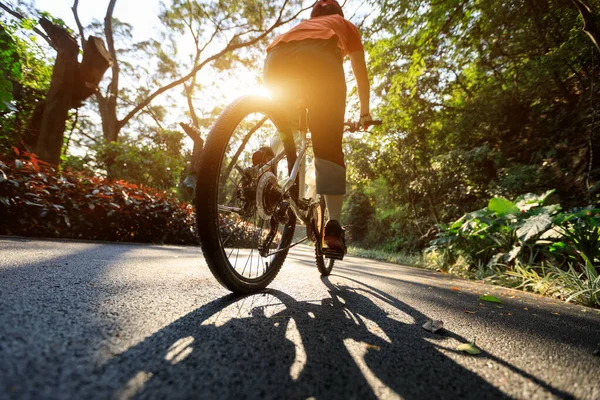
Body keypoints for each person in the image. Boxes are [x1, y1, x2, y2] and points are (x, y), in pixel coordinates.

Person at [262, 0, 372, 255]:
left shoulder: (301, 26)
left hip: (275, 59)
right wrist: (364, 112)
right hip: (318, 60)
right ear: (338, 14)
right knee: (328, 146)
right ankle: (332, 228)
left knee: (287, 126)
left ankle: (266, 158)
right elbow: (359, 70)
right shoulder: (344, 25)